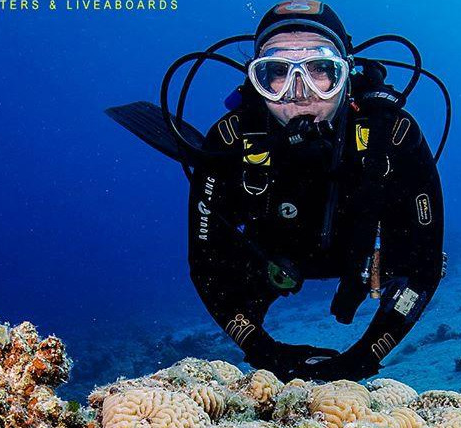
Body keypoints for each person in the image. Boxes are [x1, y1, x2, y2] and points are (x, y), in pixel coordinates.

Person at [187, 1, 445, 382]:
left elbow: (424, 269)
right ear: (256, 80)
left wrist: (365, 354)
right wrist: (261, 348)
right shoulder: (230, 142)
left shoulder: (393, 135)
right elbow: (206, 265)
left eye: (321, 70)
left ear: (347, 73)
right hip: (271, 260)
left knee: (404, 260)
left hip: (366, 261)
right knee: (237, 275)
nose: (299, 93)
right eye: (276, 72)